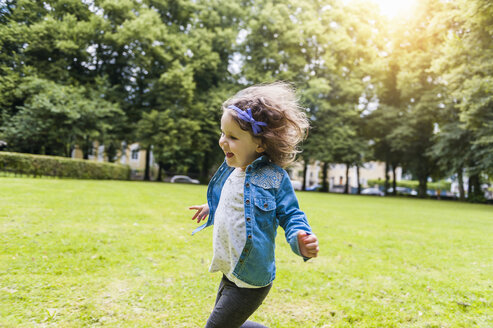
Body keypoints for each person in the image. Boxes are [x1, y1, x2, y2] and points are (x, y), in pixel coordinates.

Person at [189, 82, 319, 328]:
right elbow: (231, 199)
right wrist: (211, 207)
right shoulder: (233, 168)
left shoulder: (274, 178)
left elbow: (291, 215)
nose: (222, 141)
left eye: (232, 137)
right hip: (231, 269)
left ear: (260, 144)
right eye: (222, 133)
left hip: (251, 278)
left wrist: (300, 239)